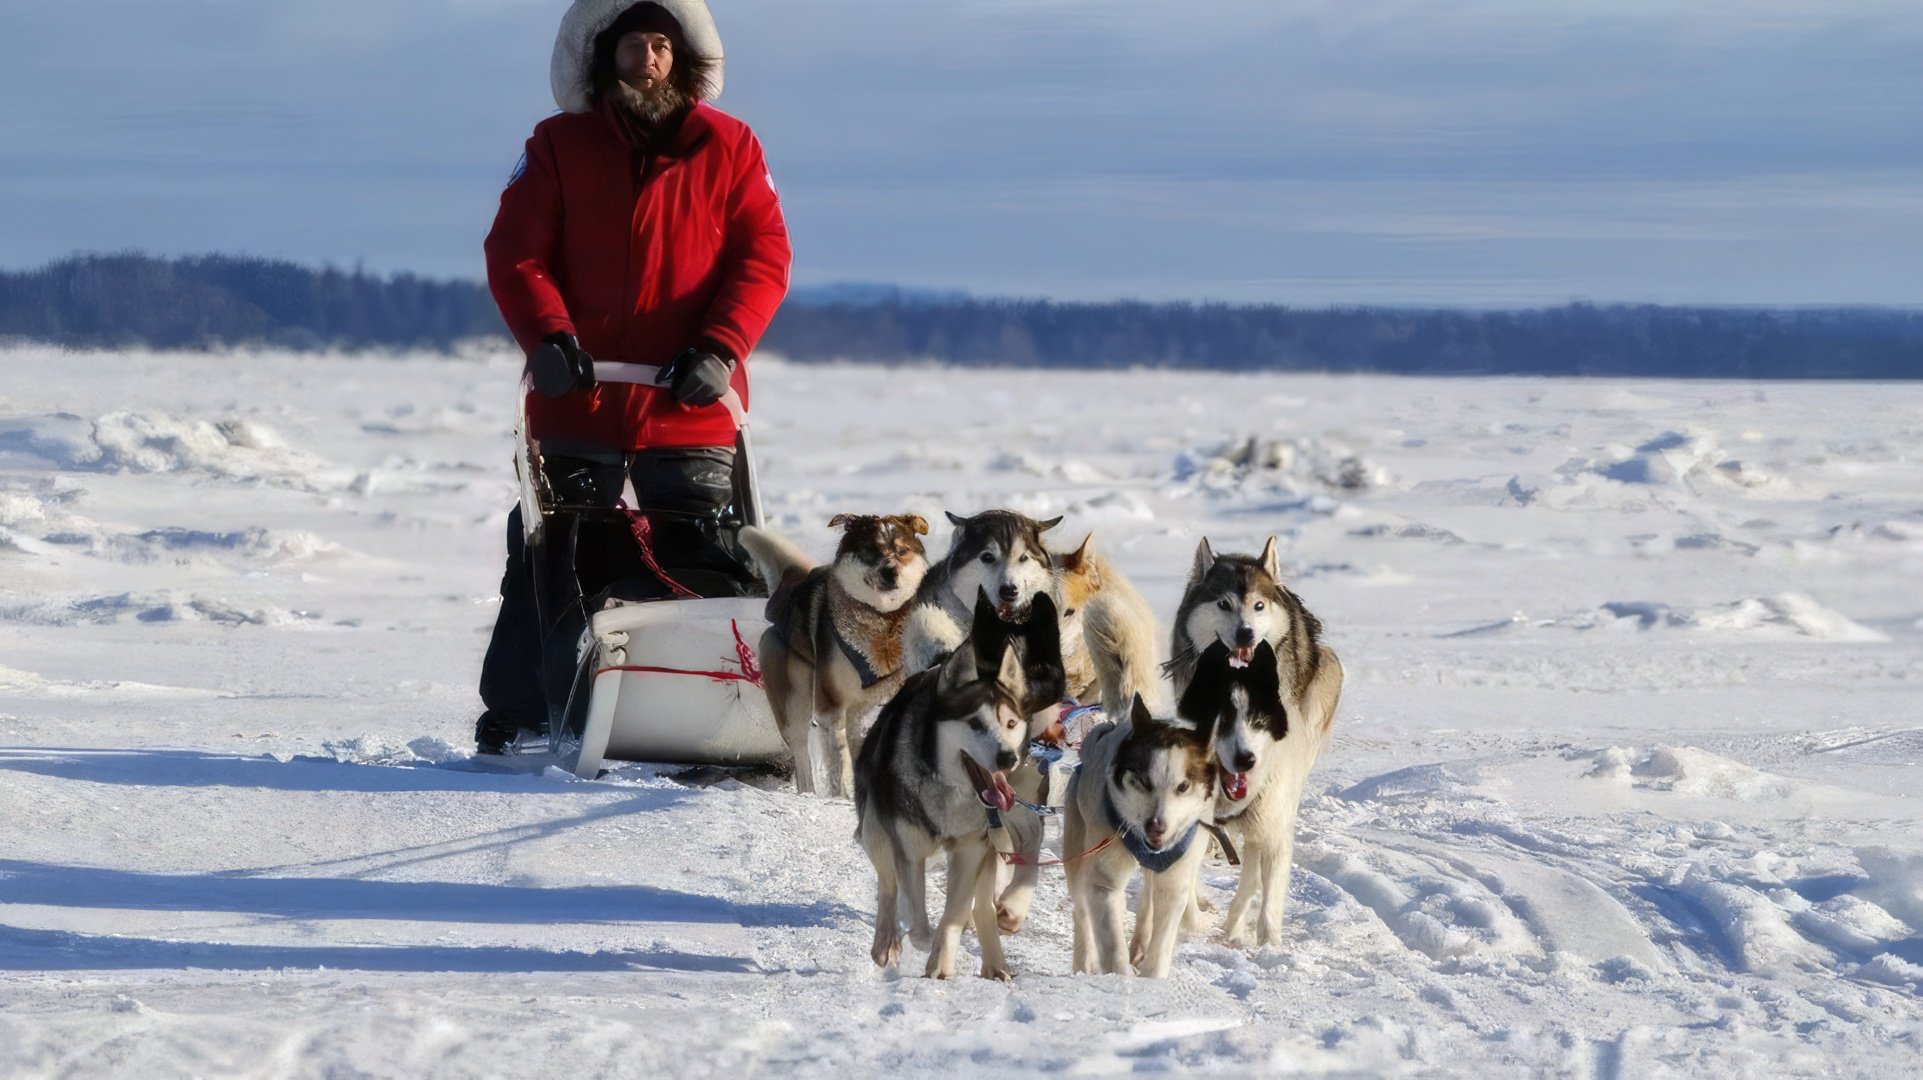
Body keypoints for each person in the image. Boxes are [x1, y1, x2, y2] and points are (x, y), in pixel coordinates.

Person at [475, 0, 791, 752]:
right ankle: (527, 712)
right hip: (576, 394)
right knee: (553, 553)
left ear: (683, 61)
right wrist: (548, 337)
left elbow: (764, 257)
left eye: (660, 44)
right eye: (631, 45)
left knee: (710, 556)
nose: (646, 57)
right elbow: (514, 251)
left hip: (691, 401)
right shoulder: (556, 145)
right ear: (599, 56)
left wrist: (720, 347)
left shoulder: (732, 146)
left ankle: (728, 718)